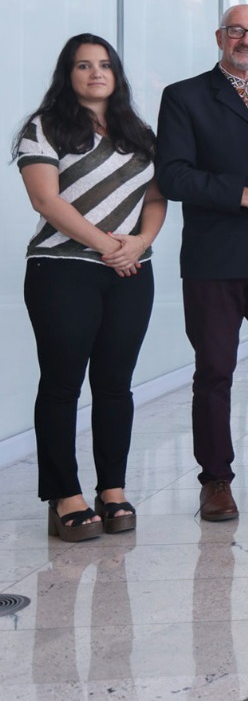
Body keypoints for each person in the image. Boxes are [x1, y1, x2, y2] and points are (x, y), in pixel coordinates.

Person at [156, 4, 248, 522]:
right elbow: (174, 176)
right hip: (214, 259)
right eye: (238, 31)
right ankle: (215, 480)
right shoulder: (184, 97)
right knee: (215, 371)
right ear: (220, 36)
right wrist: (245, 195)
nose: (247, 40)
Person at [15, 34, 167, 541]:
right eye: (83, 65)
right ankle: (65, 496)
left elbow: (156, 198)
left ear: (116, 74)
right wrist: (109, 246)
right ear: (68, 74)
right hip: (62, 270)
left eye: (104, 64)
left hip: (130, 271)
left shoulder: (139, 133)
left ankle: (113, 490)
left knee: (115, 385)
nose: (95, 73)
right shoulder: (44, 127)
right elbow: (46, 201)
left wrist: (140, 242)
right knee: (62, 385)